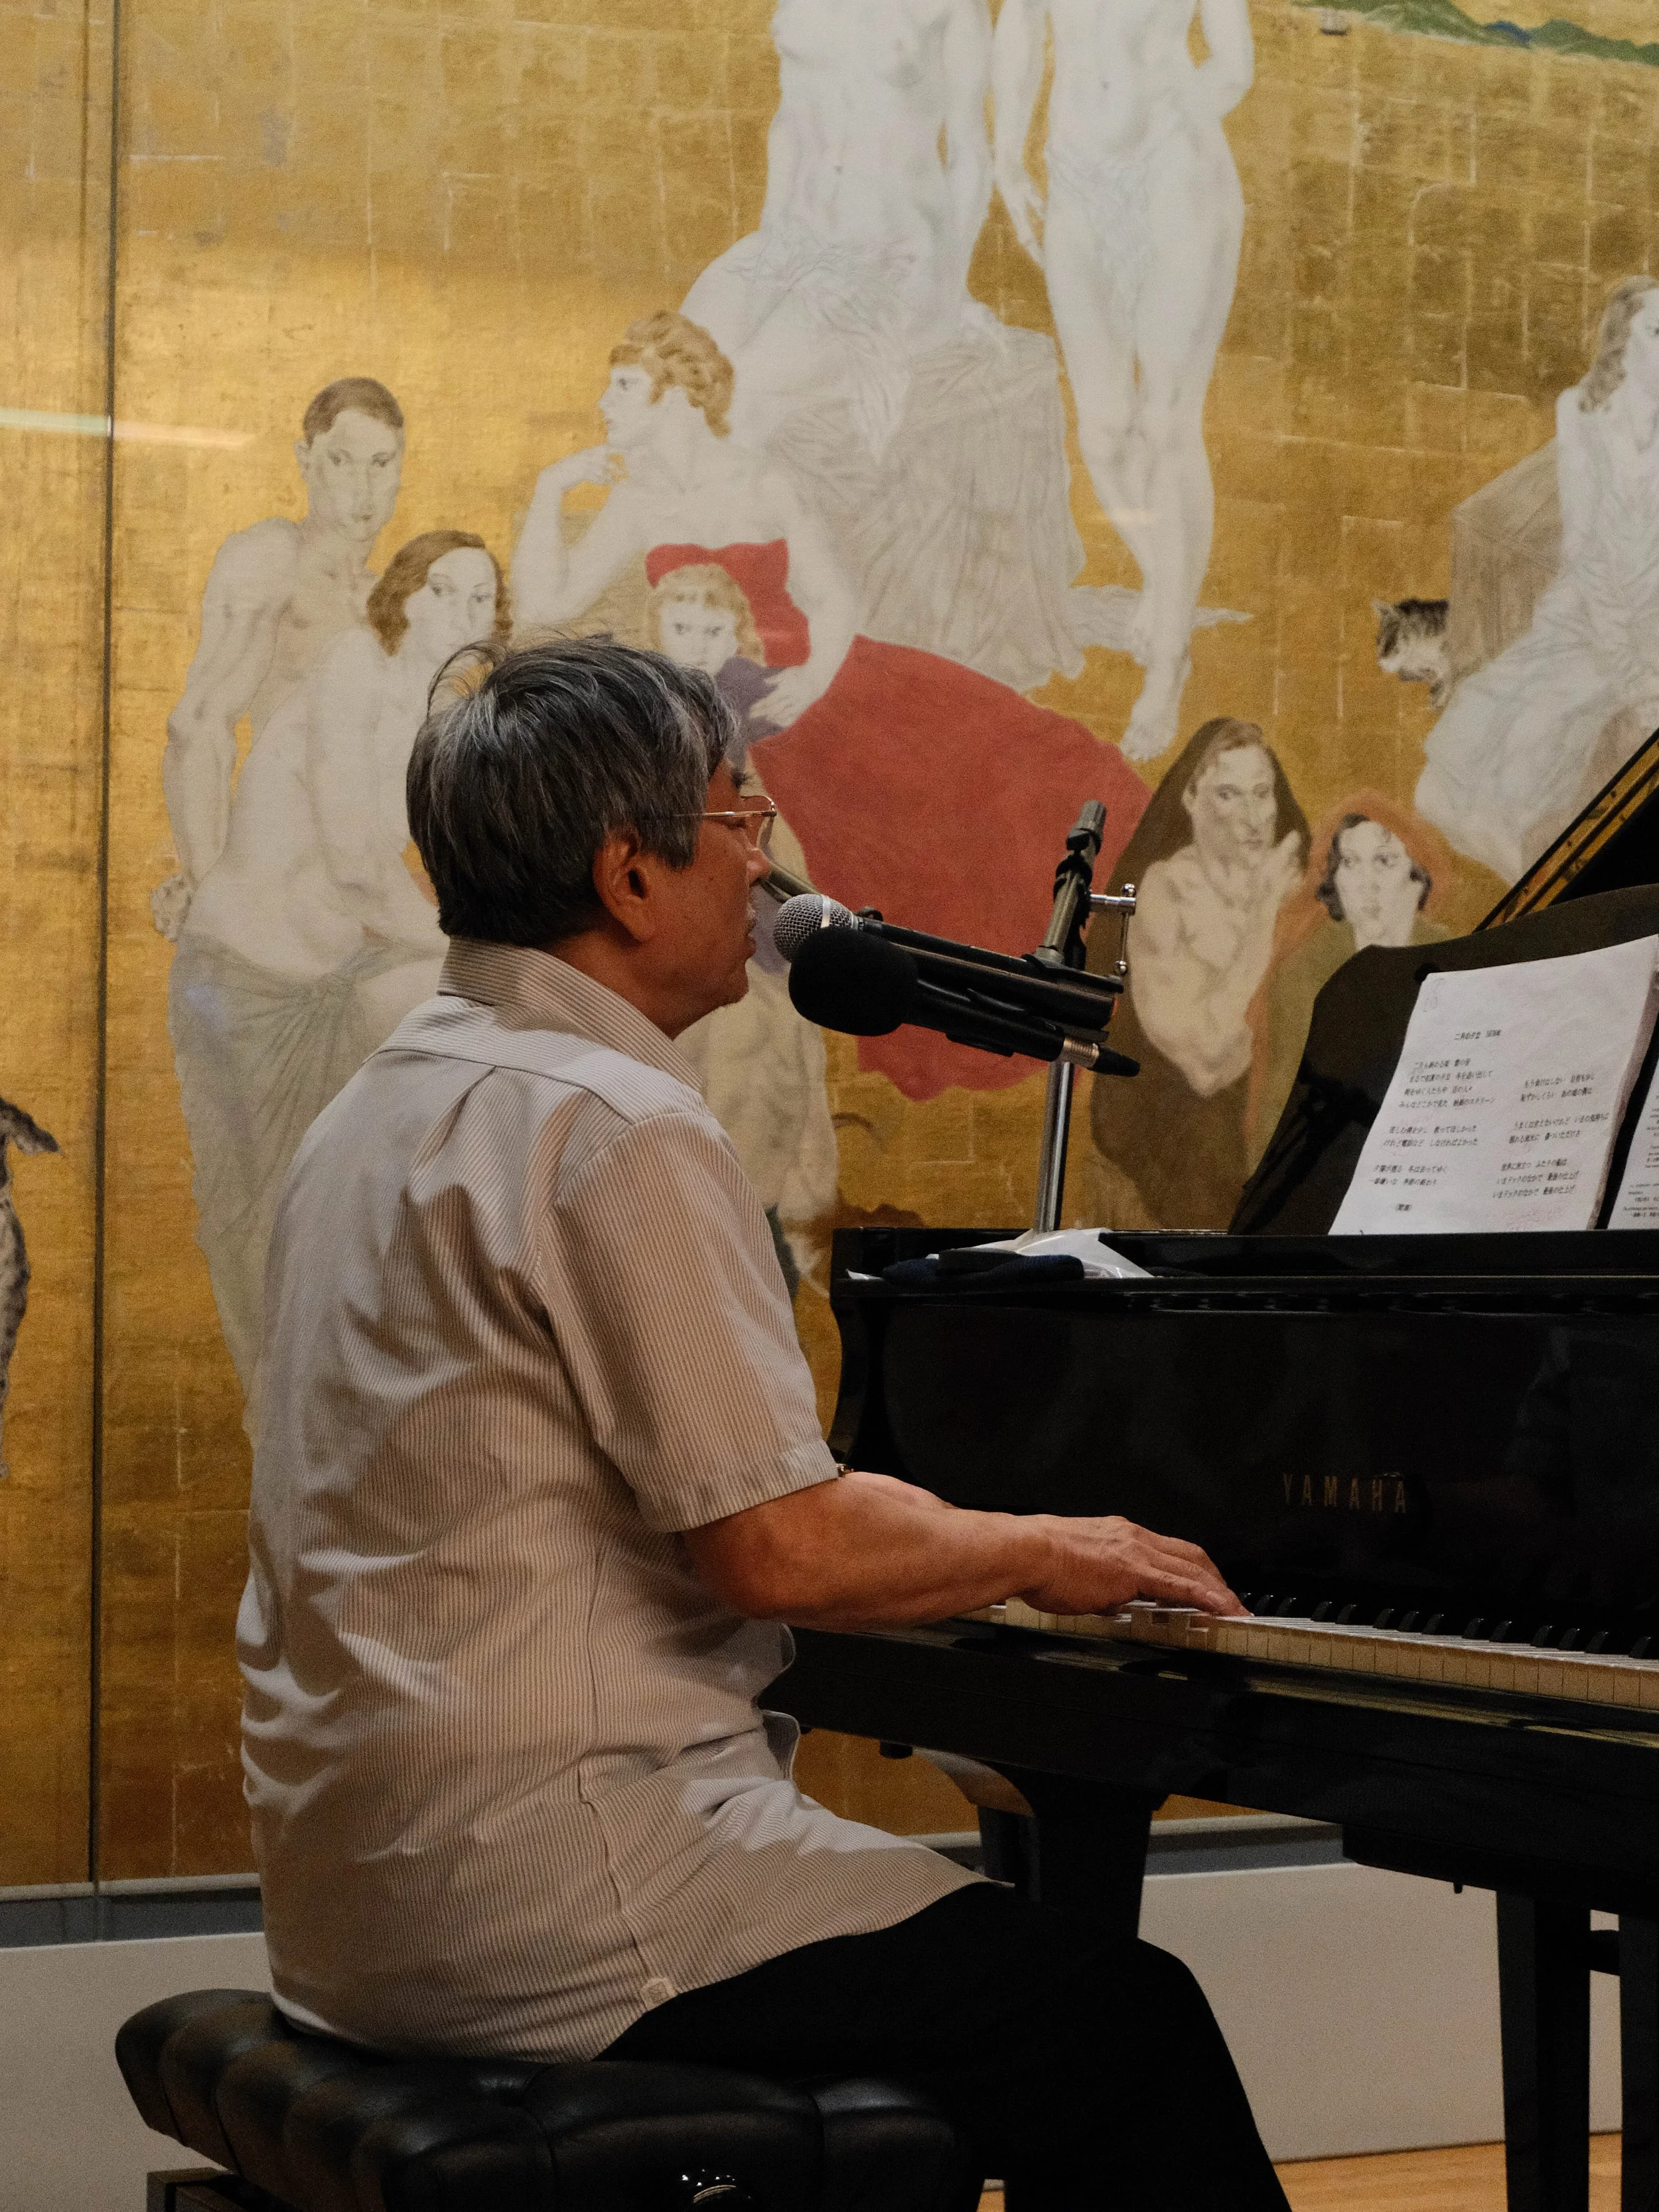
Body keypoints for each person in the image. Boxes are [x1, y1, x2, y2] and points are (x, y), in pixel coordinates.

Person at [240, 635, 1289, 2212]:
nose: (768, 857)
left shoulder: (375, 1105)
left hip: (361, 1899)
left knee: (1038, 1999)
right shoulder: (610, 1120)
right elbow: (776, 1546)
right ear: (630, 871)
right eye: (742, 820)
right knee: (1120, 2022)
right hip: (564, 1895)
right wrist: (1048, 1545)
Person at [512, 310, 1149, 1101]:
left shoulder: (761, 480)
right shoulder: (639, 502)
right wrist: (551, 487)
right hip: (725, 713)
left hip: (815, 686)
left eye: (625, 385)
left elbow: (832, 597)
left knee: (971, 781)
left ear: (677, 394)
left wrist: (809, 685)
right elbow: (544, 604)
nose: (607, 402)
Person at [171, 531, 505, 1405]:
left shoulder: (437, 718)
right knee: (255, 1225)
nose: (465, 614)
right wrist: (460, 952)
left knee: (334, 1222)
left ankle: (321, 1423)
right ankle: (273, 1430)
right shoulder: (357, 660)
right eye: (448, 590)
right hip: (247, 975)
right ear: (408, 594)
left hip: (332, 989)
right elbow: (355, 855)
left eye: (483, 600)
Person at [680, 1, 1090, 695]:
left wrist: (945, 293)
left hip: (892, 250)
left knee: (744, 402)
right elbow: (790, 115)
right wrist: (770, 253)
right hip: (792, 237)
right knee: (673, 381)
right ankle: (685, 628)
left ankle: (754, 646)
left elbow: (968, 153)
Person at [993, 0, 1254, 761]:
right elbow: (1020, 26)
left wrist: (1161, 132)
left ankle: (1167, 658)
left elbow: (1233, 65)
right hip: (1076, 181)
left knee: (1165, 425)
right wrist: (1009, 153)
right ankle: (1166, 586)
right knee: (1103, 434)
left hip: (1176, 180)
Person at [1415, 277, 1659, 882]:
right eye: (1657, 331)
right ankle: (1476, 818)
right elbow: (1587, 542)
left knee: (1554, 722)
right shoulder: (1583, 413)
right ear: (1624, 339)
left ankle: (1516, 844)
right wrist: (1628, 660)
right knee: (1513, 701)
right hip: (1591, 595)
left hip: (1648, 607)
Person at [157, 377, 407, 938]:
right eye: (342, 462)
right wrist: (211, 885)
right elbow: (197, 725)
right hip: (271, 874)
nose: (363, 490)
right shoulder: (274, 557)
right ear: (306, 460)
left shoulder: (389, 601)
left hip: (356, 896)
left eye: (381, 464)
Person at [646, 562, 837, 1292]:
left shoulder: (741, 708)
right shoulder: (644, 715)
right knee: (736, 1048)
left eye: (713, 629)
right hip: (683, 914)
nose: (697, 643)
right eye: (682, 627)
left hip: (746, 902)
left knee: (783, 1037)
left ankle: (771, 1228)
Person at [1087, 717, 1307, 1229]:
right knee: (1216, 1143)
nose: (1255, 818)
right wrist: (1263, 918)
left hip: (1267, 1101)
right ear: (1191, 801)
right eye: (1229, 795)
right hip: (1177, 1116)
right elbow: (1206, 1068)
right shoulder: (1165, 896)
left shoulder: (1297, 886)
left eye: (1263, 793)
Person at [1246, 797, 1451, 1170]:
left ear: (1418, 875)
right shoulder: (1302, 975)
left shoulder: (1451, 963)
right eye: (1350, 864)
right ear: (1333, 879)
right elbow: (1279, 1105)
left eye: (1385, 861)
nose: (1365, 884)